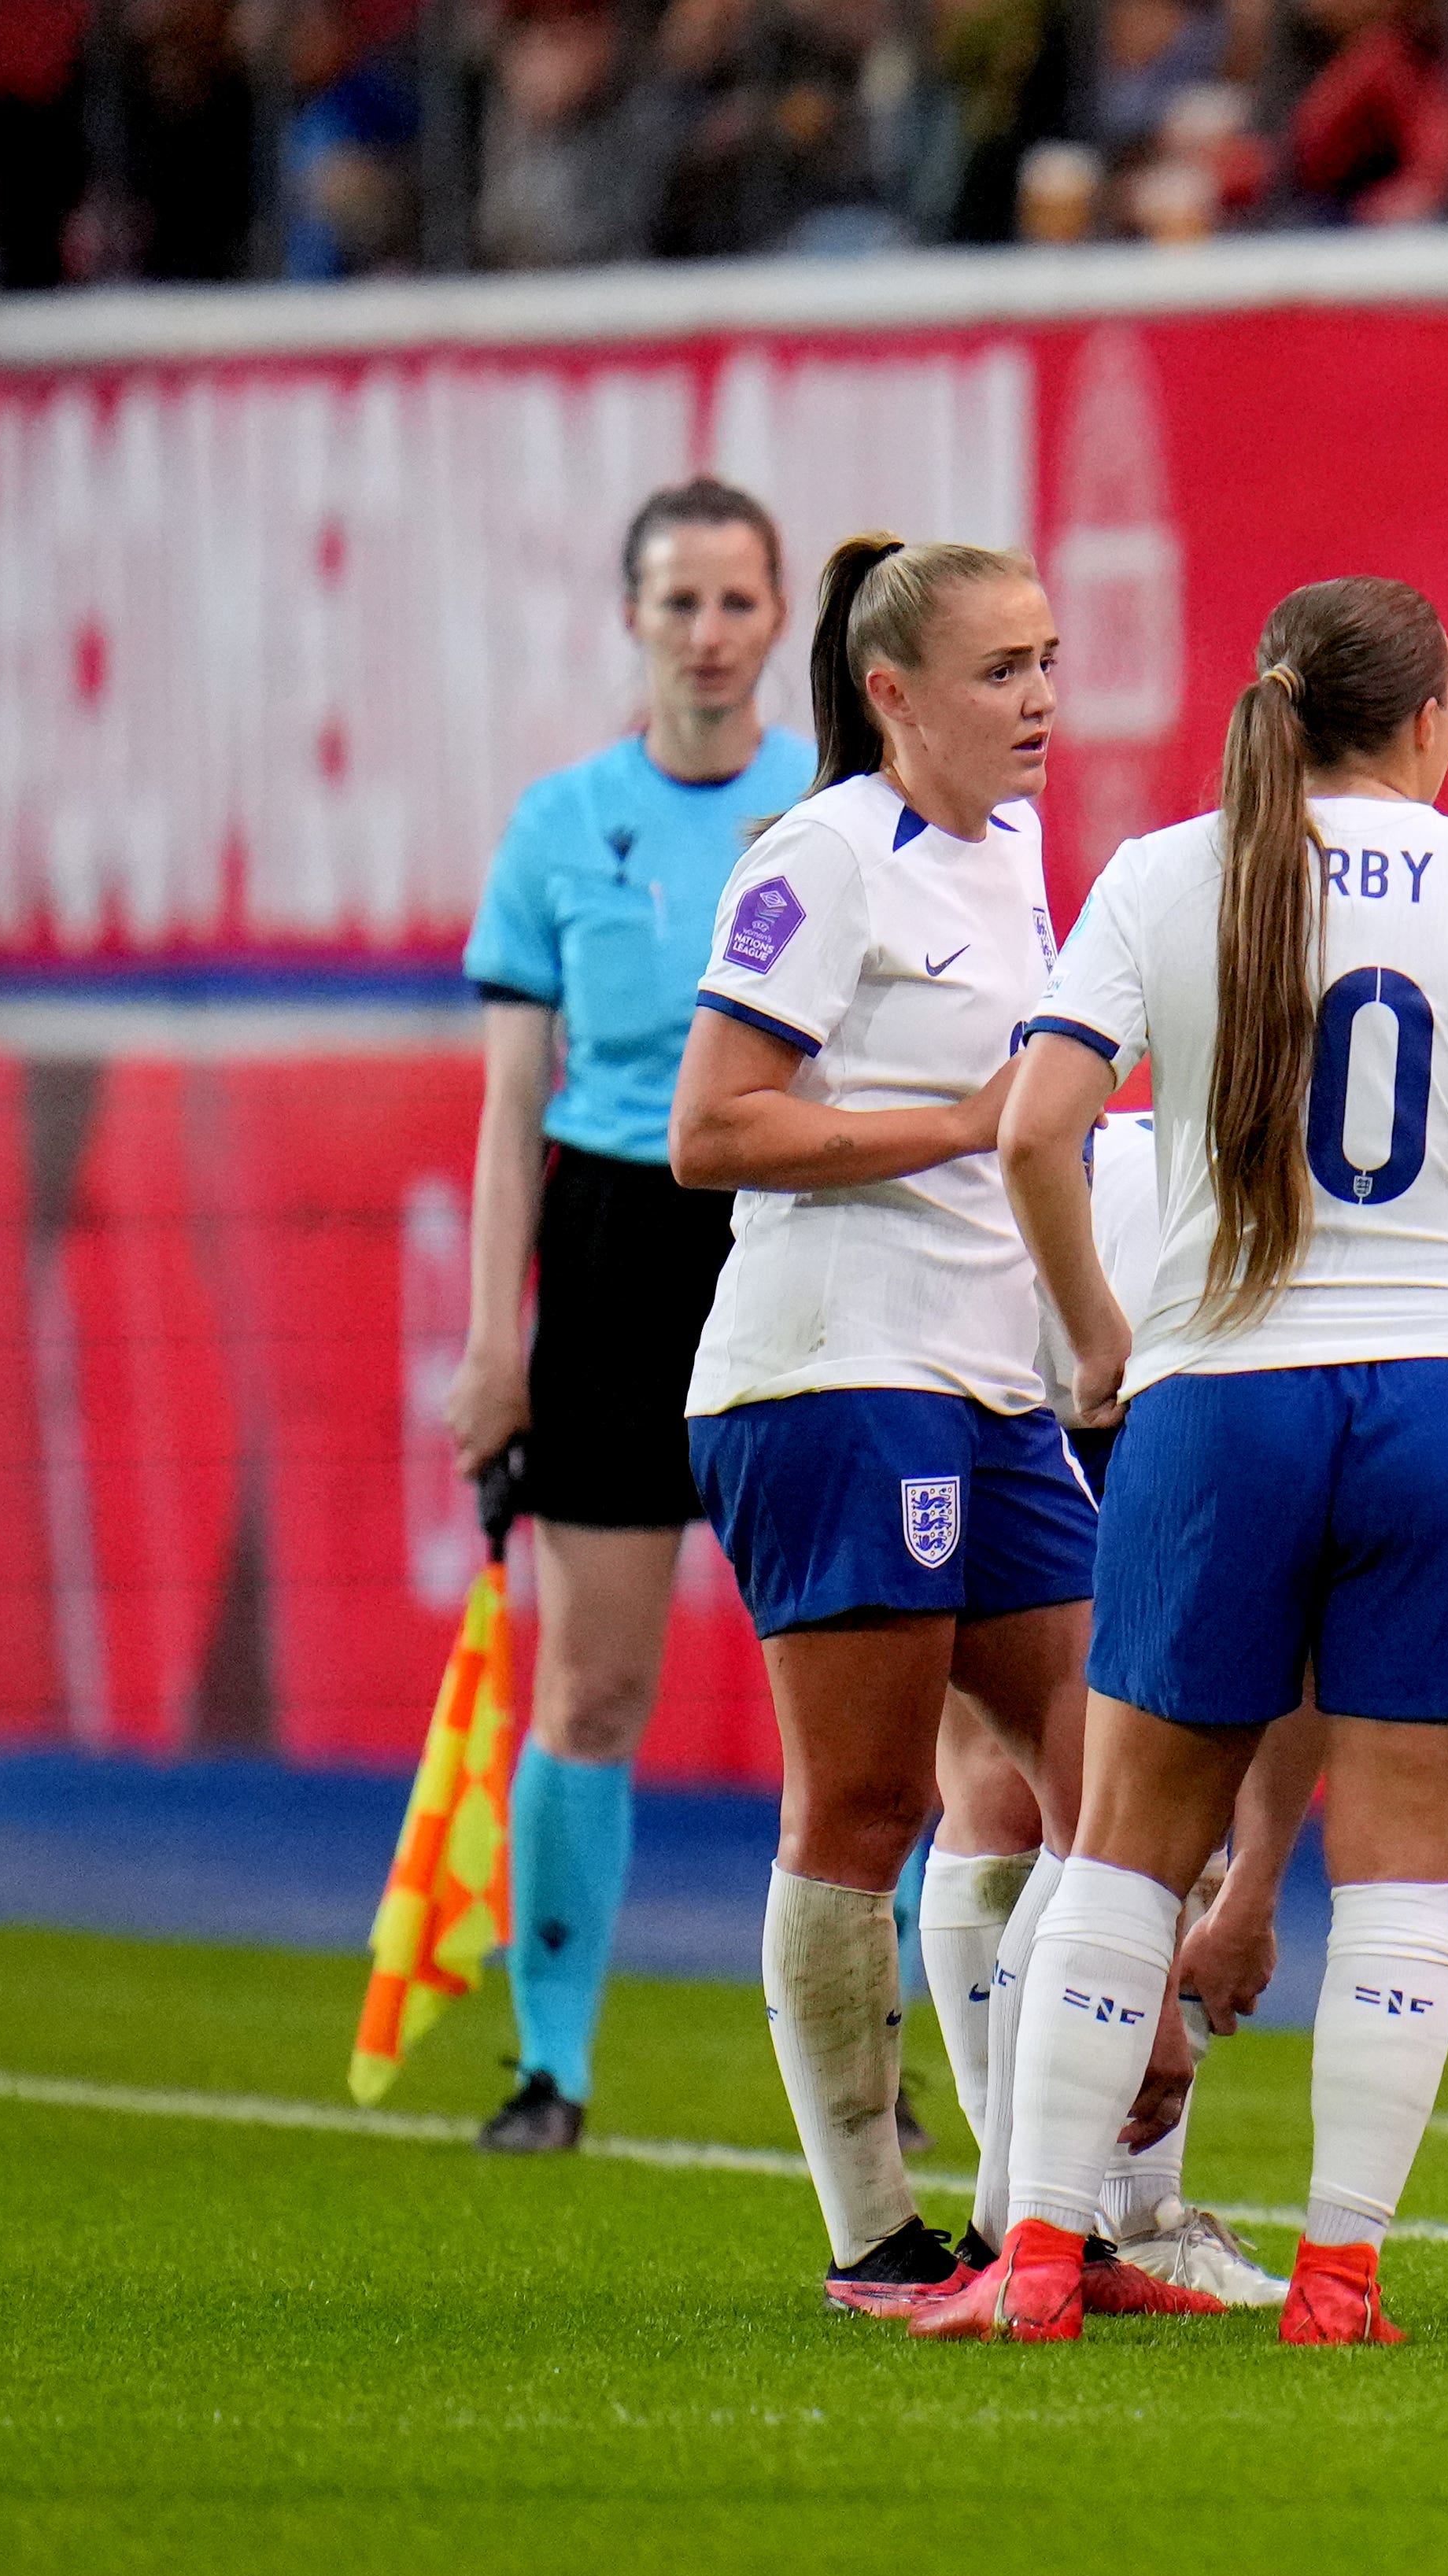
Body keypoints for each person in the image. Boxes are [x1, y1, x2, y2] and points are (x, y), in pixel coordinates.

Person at [927, 574, 1448, 2346]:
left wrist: (1101, 1335)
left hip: (1223, 1395)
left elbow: (1037, 1126)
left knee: (1121, 1851)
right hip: (1447, 1399)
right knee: (1407, 1870)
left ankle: (1037, 2264)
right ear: (1429, 724)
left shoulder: (1164, 872)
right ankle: (1338, 2280)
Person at [669, 532, 1101, 2306]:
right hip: (837, 1370)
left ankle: (1037, 2202)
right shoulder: (820, 860)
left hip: (991, 1377)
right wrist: (961, 1125)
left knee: (1117, 1775)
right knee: (860, 1805)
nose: (1043, 701)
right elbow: (712, 1127)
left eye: (1051, 660)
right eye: (1002, 672)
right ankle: (874, 2232)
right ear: (891, 694)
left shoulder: (1015, 857)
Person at [447, 480, 815, 2156]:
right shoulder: (555, 827)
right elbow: (511, 1103)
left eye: (737, 603)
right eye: (679, 604)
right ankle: (552, 2065)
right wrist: (490, 1334)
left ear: (783, 620)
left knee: (866, 1679)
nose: (710, 635)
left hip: (796, 1232)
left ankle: (890, 2057)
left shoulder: (831, 808)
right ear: (631, 620)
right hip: (607, 1249)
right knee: (592, 1690)